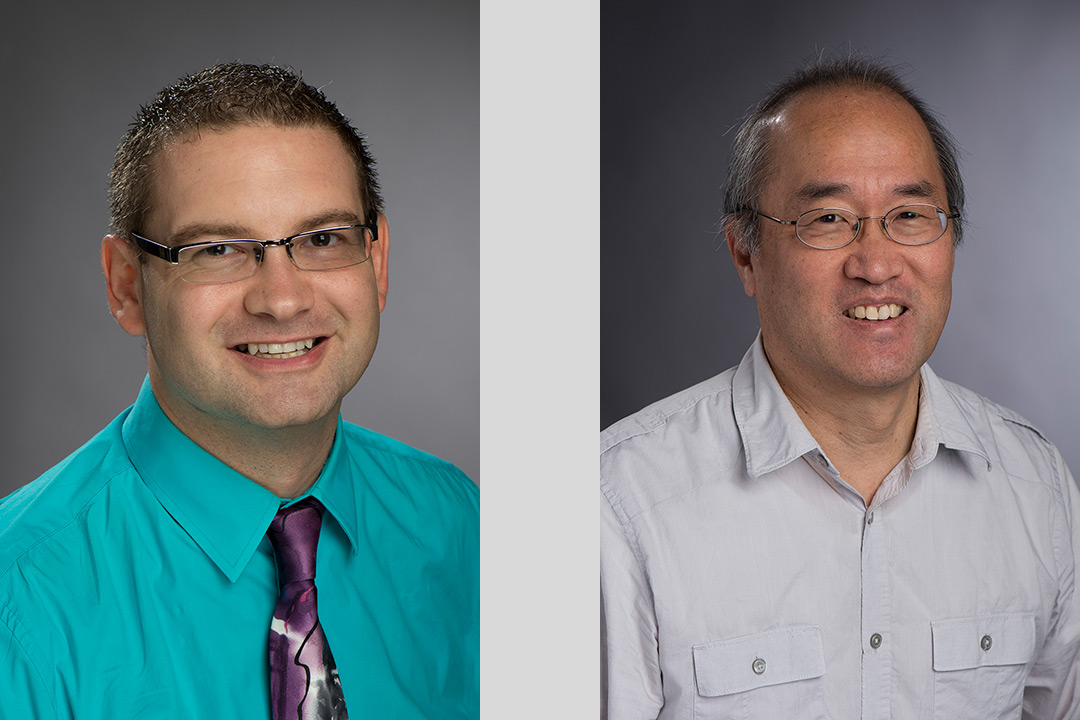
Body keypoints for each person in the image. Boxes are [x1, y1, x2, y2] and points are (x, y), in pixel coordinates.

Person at [600, 57, 1080, 719]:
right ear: (745, 252)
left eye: (910, 214)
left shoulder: (1037, 488)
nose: (877, 263)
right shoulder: (621, 504)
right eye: (828, 219)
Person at [0, 62, 478, 719]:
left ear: (378, 261)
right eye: (218, 249)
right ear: (125, 285)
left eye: (322, 239)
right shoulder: (18, 600)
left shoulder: (462, 527)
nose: (282, 299)